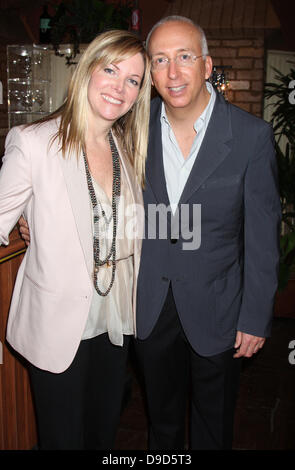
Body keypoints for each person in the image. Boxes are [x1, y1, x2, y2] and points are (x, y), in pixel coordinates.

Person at [134, 16, 281, 450]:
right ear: (150, 70)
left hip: (219, 307)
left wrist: (256, 315)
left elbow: (261, 236)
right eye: (160, 60)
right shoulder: (132, 128)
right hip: (150, 303)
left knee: (213, 424)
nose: (173, 72)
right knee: (161, 422)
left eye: (184, 57)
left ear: (206, 65)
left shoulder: (251, 136)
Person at [0, 30, 151, 450]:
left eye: (134, 80)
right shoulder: (33, 143)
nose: (119, 87)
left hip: (115, 320)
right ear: (88, 71)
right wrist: (23, 226)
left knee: (103, 434)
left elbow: (125, 228)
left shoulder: (126, 146)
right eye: (111, 70)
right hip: (56, 325)